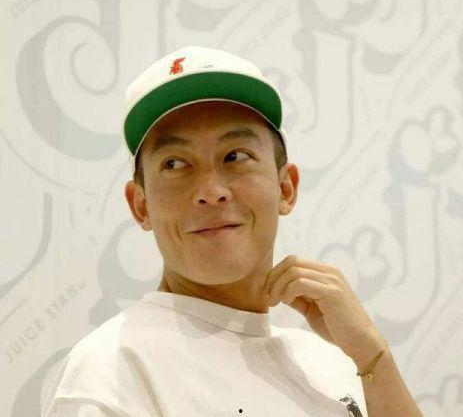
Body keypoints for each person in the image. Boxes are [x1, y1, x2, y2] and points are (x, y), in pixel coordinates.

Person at [41, 46, 368, 416]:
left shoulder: (334, 362)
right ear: (140, 205)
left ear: (286, 188)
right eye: (175, 163)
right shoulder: (109, 375)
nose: (211, 192)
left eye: (235, 156)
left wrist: (375, 358)